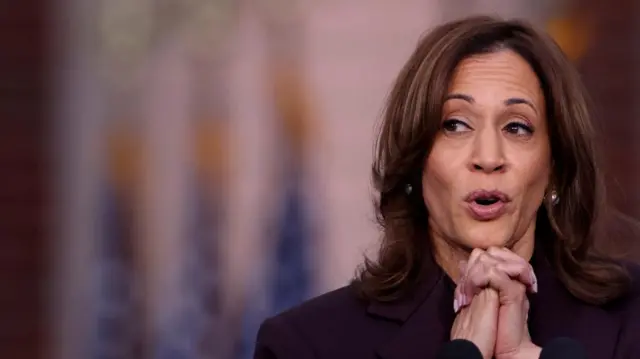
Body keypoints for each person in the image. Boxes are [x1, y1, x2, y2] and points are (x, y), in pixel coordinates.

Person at [253, 16, 640, 359]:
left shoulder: (630, 322)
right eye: (455, 124)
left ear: (555, 168)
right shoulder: (307, 345)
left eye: (517, 126)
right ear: (415, 160)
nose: (488, 157)